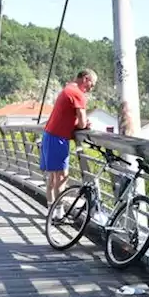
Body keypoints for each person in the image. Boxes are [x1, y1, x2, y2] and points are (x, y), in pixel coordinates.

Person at [40, 69, 97, 205]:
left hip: (49, 135)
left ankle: (50, 210)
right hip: (58, 138)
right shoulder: (78, 94)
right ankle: (58, 213)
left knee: (52, 177)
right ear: (86, 79)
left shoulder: (68, 89)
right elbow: (82, 123)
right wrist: (82, 125)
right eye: (92, 84)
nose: (91, 88)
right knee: (61, 177)